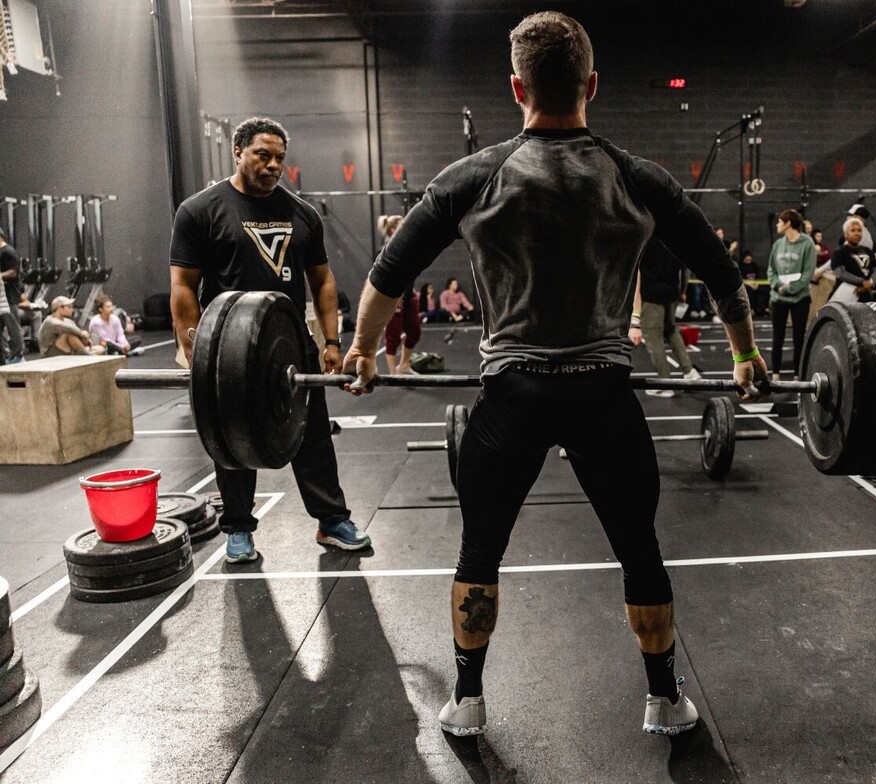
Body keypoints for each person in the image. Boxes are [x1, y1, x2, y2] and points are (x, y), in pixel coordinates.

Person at [342, 11, 762, 739]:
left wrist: (362, 352)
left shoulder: (473, 176)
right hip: (604, 392)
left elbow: (389, 273)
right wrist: (748, 356)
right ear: (591, 85)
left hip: (512, 396)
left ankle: (467, 702)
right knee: (640, 548)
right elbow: (723, 276)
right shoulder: (640, 178)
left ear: (516, 88)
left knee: (481, 550)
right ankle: (664, 701)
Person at [169, 116, 371, 563]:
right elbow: (183, 284)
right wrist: (193, 350)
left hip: (289, 344)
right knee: (230, 440)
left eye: (280, 157)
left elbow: (322, 281)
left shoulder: (302, 213)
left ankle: (332, 521)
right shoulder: (201, 210)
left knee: (313, 434)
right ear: (237, 151)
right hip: (227, 351)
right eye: (263, 154)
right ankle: (238, 528)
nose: (274, 165)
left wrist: (332, 341)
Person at [631, 240, 702, 398]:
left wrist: (635, 315)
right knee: (671, 331)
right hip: (671, 293)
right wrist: (682, 291)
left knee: (653, 338)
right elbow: (684, 270)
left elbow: (636, 273)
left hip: (651, 296)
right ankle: (689, 371)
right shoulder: (672, 237)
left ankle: (665, 384)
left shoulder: (647, 238)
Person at [767, 209, 816, 380]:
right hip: (778, 298)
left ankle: (798, 374)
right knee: (777, 337)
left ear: (788, 223)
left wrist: (788, 288)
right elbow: (771, 270)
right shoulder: (778, 245)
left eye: (780, 222)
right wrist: (777, 285)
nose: (777, 225)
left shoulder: (807, 243)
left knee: (798, 338)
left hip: (800, 298)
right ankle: (775, 374)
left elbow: (808, 273)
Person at [377, 215, 421, 374]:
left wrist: (412, 291)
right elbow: (381, 278)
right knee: (393, 336)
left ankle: (404, 365)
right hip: (394, 298)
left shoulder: (407, 247)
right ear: (393, 229)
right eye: (403, 225)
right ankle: (392, 374)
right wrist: (393, 298)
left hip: (409, 296)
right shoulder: (385, 251)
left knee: (414, 332)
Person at [828, 217, 876, 305]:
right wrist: (861, 282)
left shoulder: (868, 251)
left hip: (866, 294)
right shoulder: (839, 252)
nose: (857, 233)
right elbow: (840, 273)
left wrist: (871, 282)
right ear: (846, 234)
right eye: (853, 230)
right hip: (844, 293)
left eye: (859, 230)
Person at [0, 229, 24, 363]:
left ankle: (17, 354)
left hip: (9, 297)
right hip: (1, 296)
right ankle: (5, 355)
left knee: (12, 326)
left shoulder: (8, 252)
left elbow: (13, 272)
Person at [737, 250, 767, 315]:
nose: (748, 260)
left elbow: (758, 277)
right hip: (745, 286)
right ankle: (750, 309)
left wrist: (757, 284)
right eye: (747, 259)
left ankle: (762, 308)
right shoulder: (740, 266)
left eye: (749, 259)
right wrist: (750, 285)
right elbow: (740, 279)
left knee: (763, 290)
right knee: (749, 291)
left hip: (755, 284)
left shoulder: (754, 265)